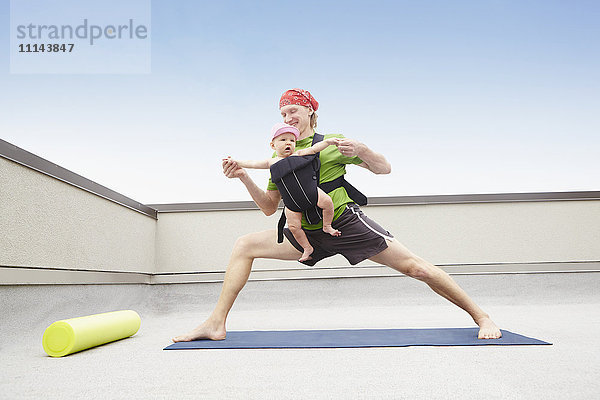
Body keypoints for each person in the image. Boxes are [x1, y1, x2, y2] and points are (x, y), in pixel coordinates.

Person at [172, 88, 502, 342]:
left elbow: (384, 169)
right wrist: (243, 177)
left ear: (310, 112)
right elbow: (269, 208)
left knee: (416, 267)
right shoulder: (277, 157)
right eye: (282, 113)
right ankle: (216, 323)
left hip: (344, 223)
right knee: (244, 245)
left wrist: (362, 150)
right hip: (304, 234)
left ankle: (482, 316)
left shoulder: (331, 142)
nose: (288, 117)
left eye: (294, 110)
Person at [225, 122, 342, 262]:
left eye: (292, 140)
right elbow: (253, 163)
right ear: (273, 145)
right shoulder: (271, 162)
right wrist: (236, 162)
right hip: (292, 202)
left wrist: (328, 142)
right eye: (283, 139)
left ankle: (327, 226)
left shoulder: (299, 154)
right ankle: (307, 248)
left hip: (311, 192)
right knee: (293, 226)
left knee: (327, 202)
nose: (289, 143)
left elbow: (315, 149)